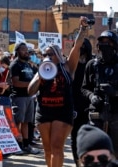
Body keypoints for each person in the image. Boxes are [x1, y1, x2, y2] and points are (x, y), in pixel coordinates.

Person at [28, 16, 89, 166]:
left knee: (56, 147)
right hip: (44, 111)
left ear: (59, 55)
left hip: (62, 111)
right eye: (45, 55)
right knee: (47, 150)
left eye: (51, 54)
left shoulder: (67, 67)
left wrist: (83, 29)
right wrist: (40, 77)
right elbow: (30, 91)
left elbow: (76, 46)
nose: (48, 57)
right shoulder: (40, 70)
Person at [81, 30, 118, 158]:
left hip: (115, 114)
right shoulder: (92, 65)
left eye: (107, 42)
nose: (104, 45)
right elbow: (84, 88)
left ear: (114, 45)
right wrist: (92, 96)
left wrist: (115, 92)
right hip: (96, 113)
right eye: (101, 42)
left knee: (114, 151)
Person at [9, 42, 39, 154]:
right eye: (23, 50)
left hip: (29, 97)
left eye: (27, 50)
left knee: (27, 122)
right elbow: (15, 83)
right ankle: (16, 145)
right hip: (19, 97)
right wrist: (31, 84)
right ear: (17, 52)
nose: (26, 52)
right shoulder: (15, 65)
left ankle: (26, 145)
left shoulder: (28, 64)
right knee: (18, 122)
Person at [71, 38, 93, 166]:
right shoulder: (71, 64)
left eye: (84, 45)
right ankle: (77, 162)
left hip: (89, 103)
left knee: (89, 135)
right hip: (74, 104)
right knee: (75, 135)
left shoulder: (92, 63)